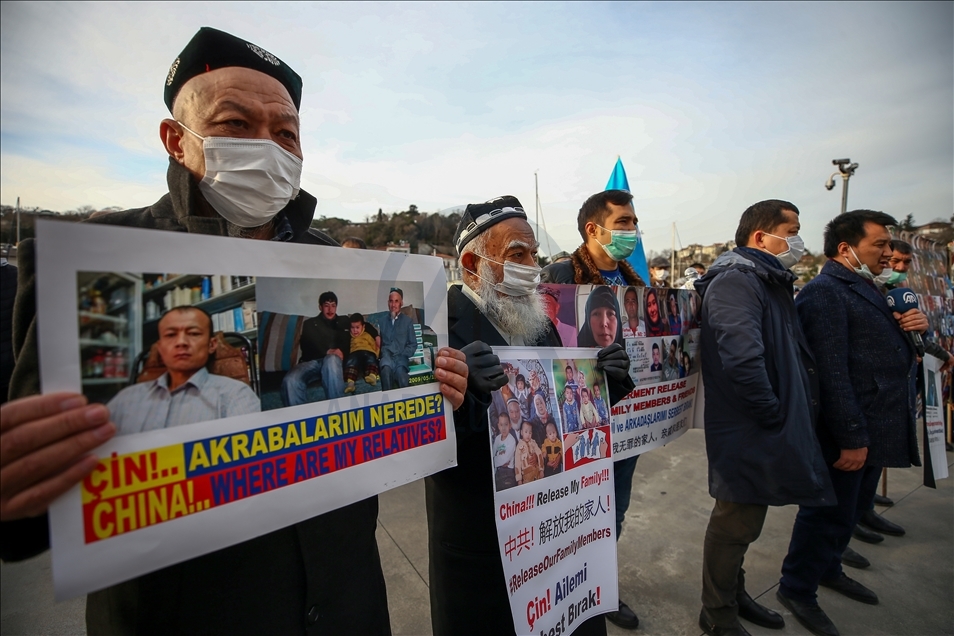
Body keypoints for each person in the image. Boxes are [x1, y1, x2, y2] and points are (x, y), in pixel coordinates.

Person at [0, 27, 469, 634]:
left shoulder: (344, 263)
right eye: (234, 124)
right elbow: (30, 515)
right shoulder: (95, 259)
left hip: (347, 606)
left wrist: (435, 391)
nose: (266, 147)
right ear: (177, 140)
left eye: (285, 134)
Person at [426, 195, 631, 636]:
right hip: (485, 547)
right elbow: (424, 448)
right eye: (516, 254)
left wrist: (605, 388)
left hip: (557, 536)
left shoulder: (540, 322)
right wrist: (466, 401)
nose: (533, 266)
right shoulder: (436, 328)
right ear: (470, 264)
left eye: (534, 253)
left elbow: (562, 416)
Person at [777, 210, 926, 636]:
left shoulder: (871, 289)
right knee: (827, 513)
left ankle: (829, 568)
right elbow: (831, 374)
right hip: (850, 432)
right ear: (847, 248)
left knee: (850, 513)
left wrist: (914, 329)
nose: (888, 253)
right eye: (879, 245)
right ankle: (798, 587)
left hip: (877, 424)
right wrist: (851, 438)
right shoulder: (825, 293)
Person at [693, 199, 836, 636]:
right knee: (735, 521)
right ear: (761, 237)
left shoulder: (765, 278)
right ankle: (717, 614)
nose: (797, 239)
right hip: (748, 425)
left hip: (761, 423)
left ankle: (734, 595)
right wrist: (772, 412)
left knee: (747, 521)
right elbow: (742, 359)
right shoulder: (738, 281)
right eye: (790, 230)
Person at [541, 189, 643, 630]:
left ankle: (600, 588)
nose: (631, 231)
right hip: (583, 423)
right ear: (593, 229)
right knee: (577, 511)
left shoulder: (633, 280)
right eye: (622, 222)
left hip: (629, 423)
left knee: (614, 510)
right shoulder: (560, 276)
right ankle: (567, 588)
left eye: (634, 221)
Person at [108, 306, 260, 434]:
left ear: (211, 345)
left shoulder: (236, 396)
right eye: (171, 335)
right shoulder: (126, 399)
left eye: (193, 333)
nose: (181, 342)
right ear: (160, 348)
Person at [282, 291, 376, 404]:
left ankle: (338, 413)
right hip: (312, 362)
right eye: (326, 305)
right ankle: (299, 419)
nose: (330, 309)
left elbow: (364, 325)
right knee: (290, 380)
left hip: (334, 363)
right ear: (320, 307)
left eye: (333, 306)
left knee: (331, 359)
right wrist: (326, 351)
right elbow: (306, 345)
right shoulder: (310, 324)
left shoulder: (344, 321)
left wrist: (376, 336)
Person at [379, 287, 418, 391]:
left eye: (396, 301)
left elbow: (413, 344)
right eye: (391, 301)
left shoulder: (407, 322)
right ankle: (387, 402)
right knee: (385, 370)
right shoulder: (382, 322)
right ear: (388, 303)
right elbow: (380, 344)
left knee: (401, 375)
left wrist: (403, 354)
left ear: (401, 303)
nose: (393, 305)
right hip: (387, 358)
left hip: (401, 358)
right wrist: (383, 354)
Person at [343, 313, 380, 393]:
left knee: (371, 360)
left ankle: (372, 377)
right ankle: (350, 383)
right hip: (355, 353)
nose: (355, 330)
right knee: (351, 362)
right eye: (352, 328)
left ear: (363, 327)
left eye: (357, 327)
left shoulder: (367, 335)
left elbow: (374, 345)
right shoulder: (349, 337)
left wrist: (376, 354)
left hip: (367, 352)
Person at [492, 412, 518, 491]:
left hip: (508, 472)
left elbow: (505, 459)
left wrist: (495, 460)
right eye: (501, 425)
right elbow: (492, 454)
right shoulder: (497, 439)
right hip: (498, 471)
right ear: (498, 426)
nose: (503, 428)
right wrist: (496, 460)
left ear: (510, 426)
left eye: (506, 425)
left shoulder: (511, 440)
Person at [514, 420, 544, 485]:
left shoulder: (533, 443)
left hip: (537, 473)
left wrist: (541, 470)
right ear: (521, 432)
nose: (528, 435)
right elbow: (517, 464)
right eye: (526, 432)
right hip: (526, 478)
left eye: (530, 433)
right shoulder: (519, 447)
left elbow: (539, 454)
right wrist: (519, 479)